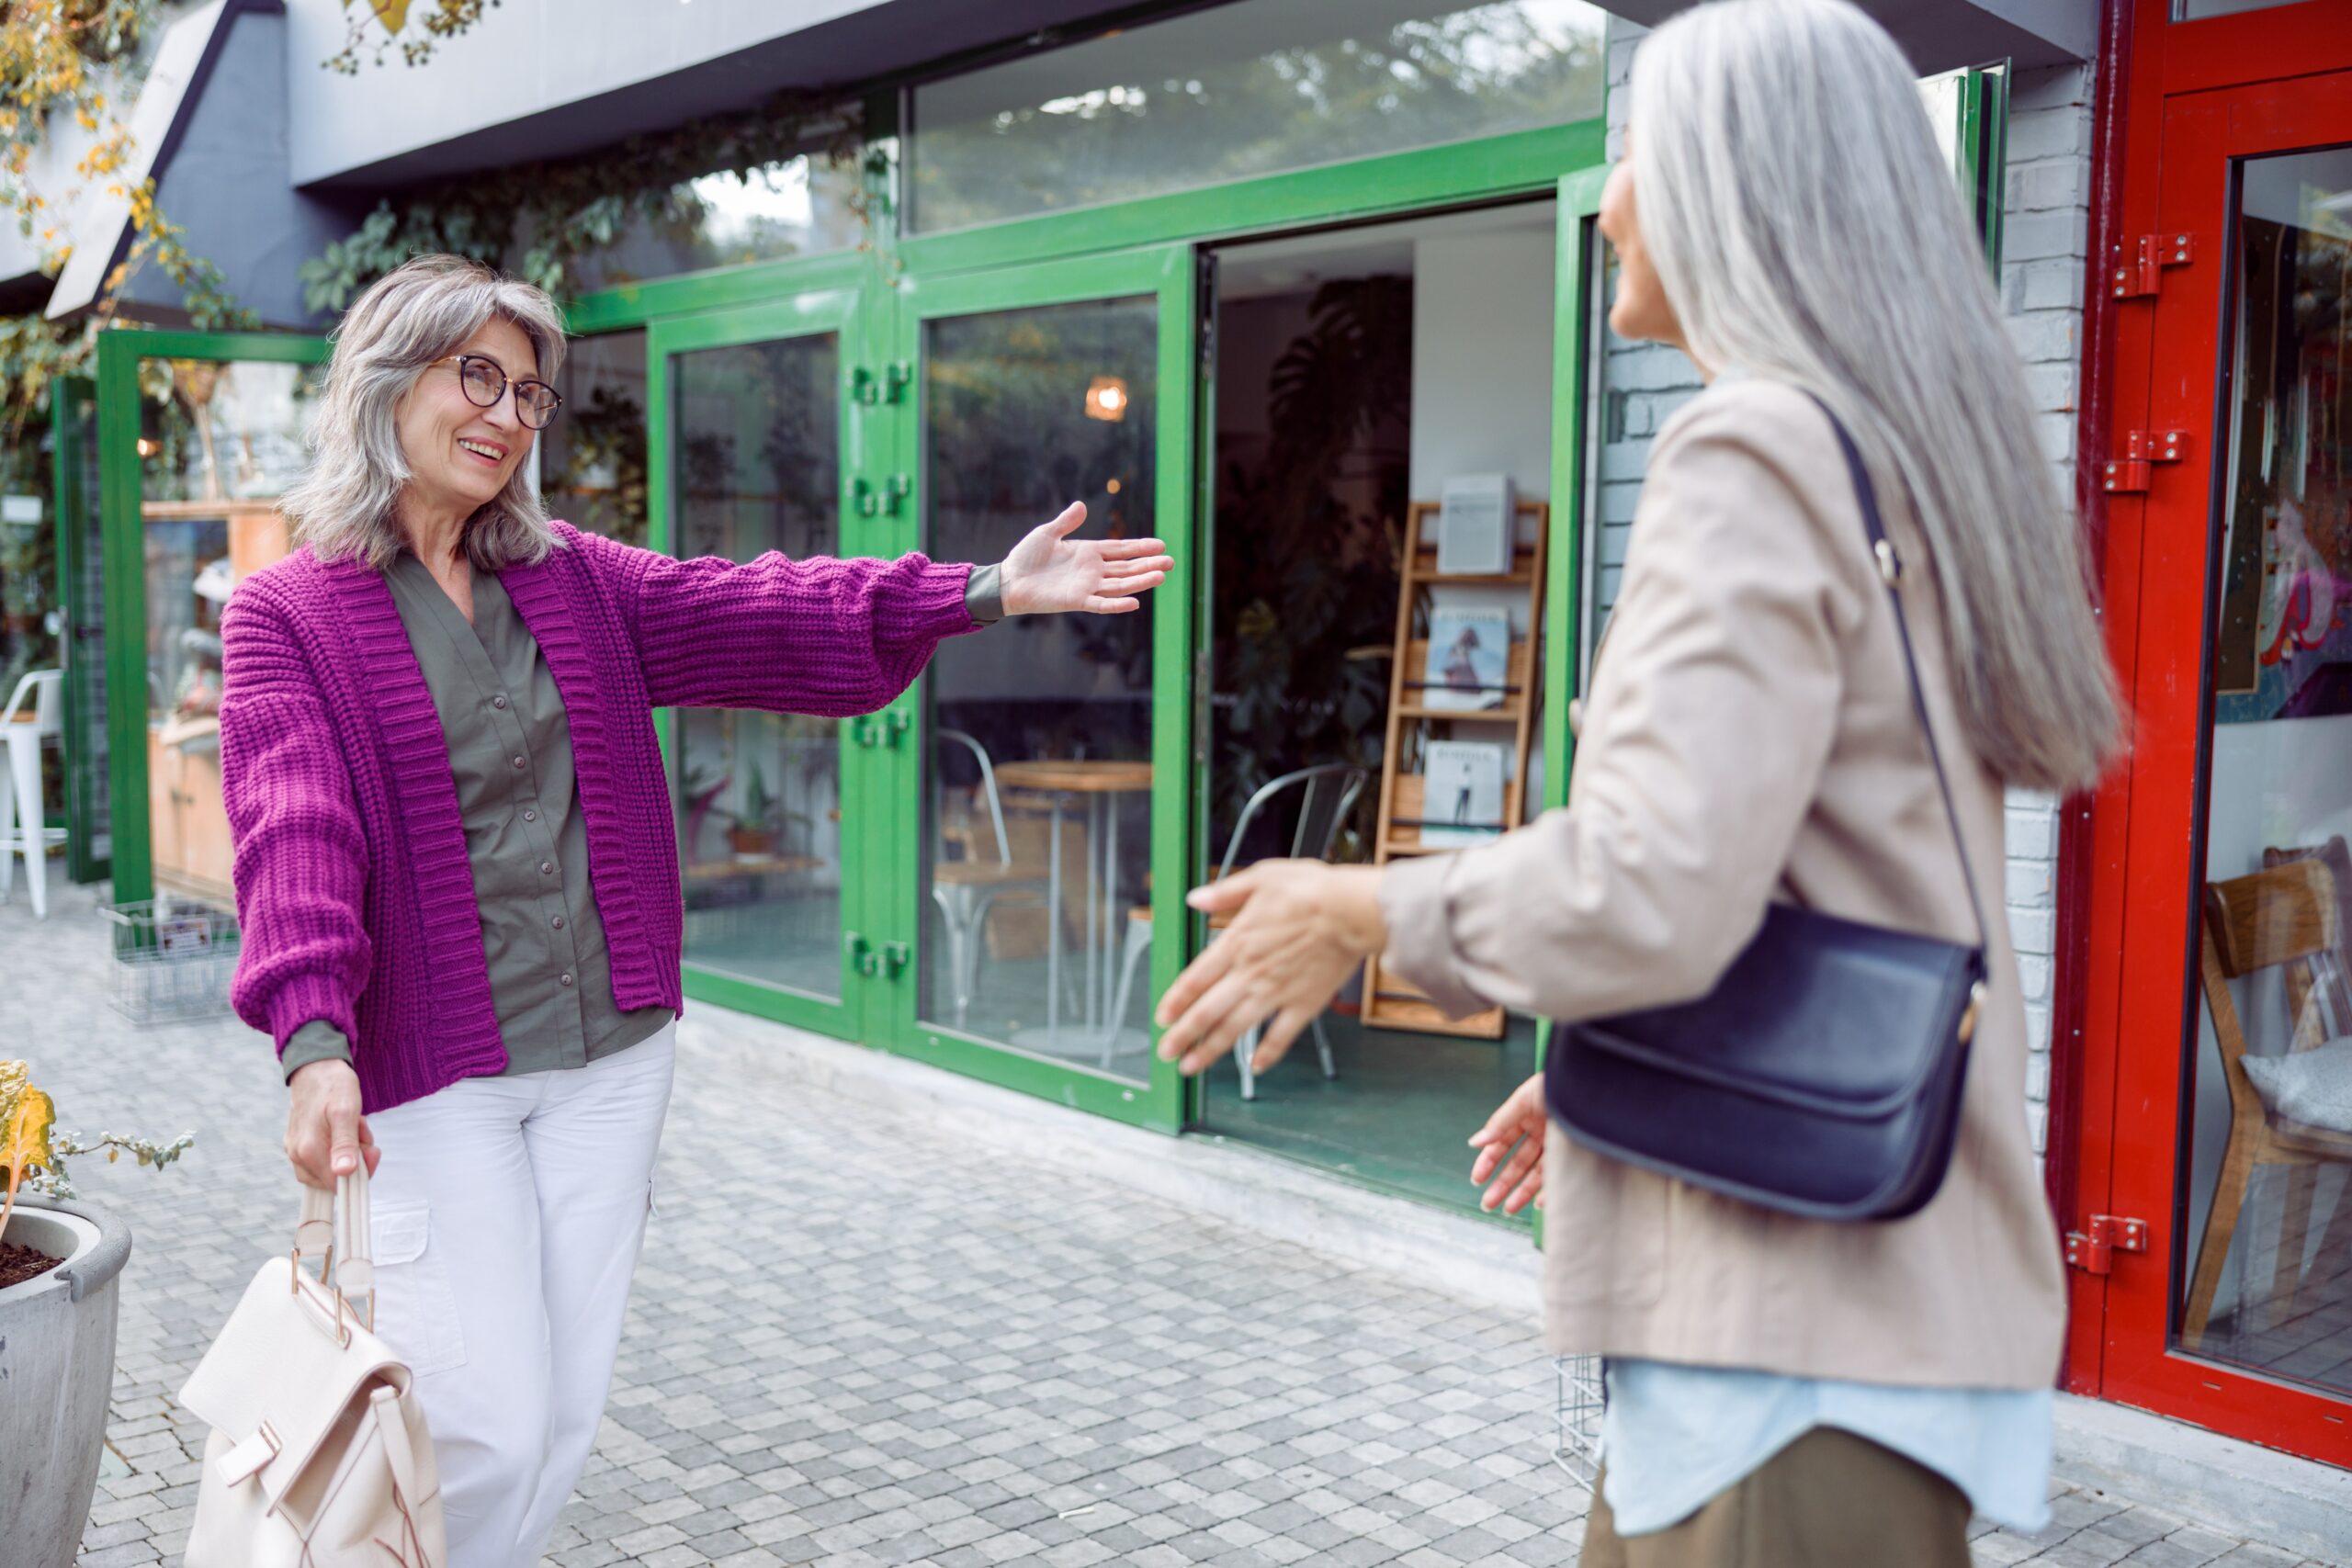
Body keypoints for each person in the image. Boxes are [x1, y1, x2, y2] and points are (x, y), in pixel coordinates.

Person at [1151, 2, 2121, 1562]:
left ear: (1736, 186)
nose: (1606, 202)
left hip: (1780, 1345)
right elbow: (1798, 863)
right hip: (1850, 1313)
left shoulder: (1754, 450)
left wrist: (1359, 908)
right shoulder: (1898, 458)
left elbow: (1652, 879)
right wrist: (1639, 1065)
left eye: (1635, 154)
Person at [220, 254, 1170, 1568]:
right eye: (476, 376)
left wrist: (979, 590)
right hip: (437, 1075)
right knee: (486, 1418)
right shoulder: (287, 615)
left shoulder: (573, 579)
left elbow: (765, 608)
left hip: (613, 1061)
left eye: (529, 393)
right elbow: (292, 826)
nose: (506, 414)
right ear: (388, 380)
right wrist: (314, 1041)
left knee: (562, 1414)